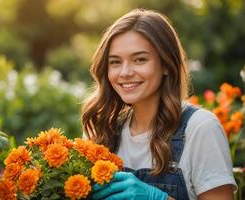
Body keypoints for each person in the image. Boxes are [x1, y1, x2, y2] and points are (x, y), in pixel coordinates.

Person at [81, 8, 237, 200]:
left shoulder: (200, 128)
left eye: (139, 59)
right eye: (115, 62)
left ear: (165, 64)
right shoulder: (103, 130)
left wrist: (158, 198)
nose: (125, 72)